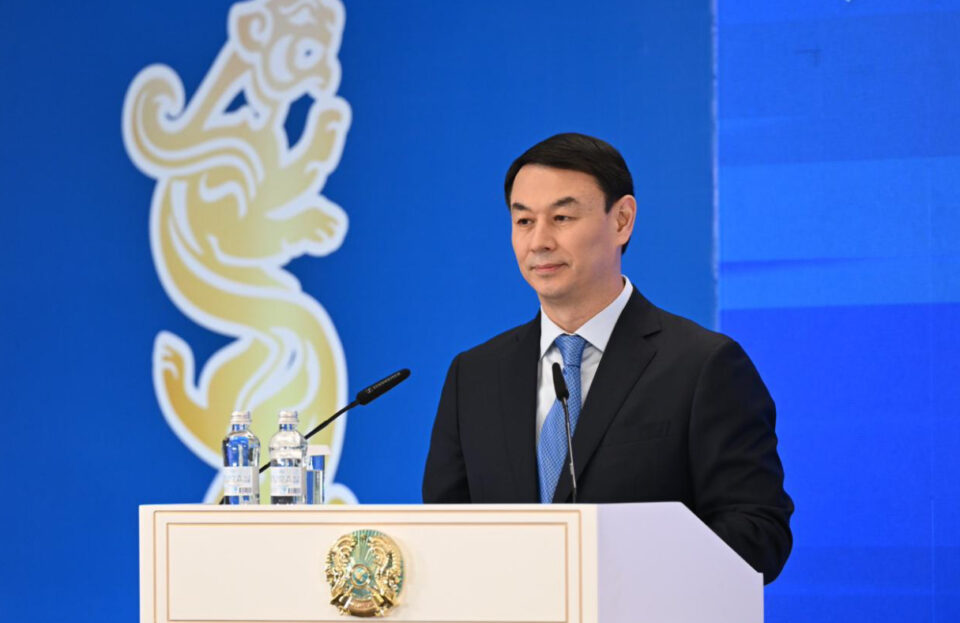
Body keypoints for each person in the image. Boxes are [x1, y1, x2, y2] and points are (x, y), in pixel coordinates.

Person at [422, 132, 793, 583]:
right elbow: (443, 534)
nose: (539, 241)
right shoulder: (476, 375)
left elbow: (758, 534)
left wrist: (621, 573)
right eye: (523, 221)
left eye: (561, 217)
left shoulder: (703, 366)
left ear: (622, 220)